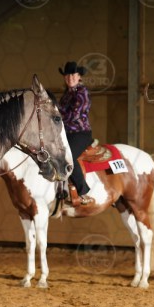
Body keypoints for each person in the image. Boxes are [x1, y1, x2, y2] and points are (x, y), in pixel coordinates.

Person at [58, 61, 94, 205]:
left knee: (68, 157)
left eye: (73, 75)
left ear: (79, 76)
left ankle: (83, 192)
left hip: (80, 134)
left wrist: (57, 117)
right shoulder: (66, 95)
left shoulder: (82, 92)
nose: (70, 78)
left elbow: (75, 115)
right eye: (67, 75)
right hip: (66, 134)